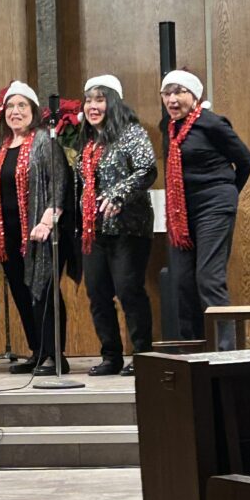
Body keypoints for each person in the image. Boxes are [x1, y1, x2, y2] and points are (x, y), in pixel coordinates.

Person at [0, 81, 71, 376]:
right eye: (11, 107)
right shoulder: (0, 148)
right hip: (7, 237)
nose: (15, 112)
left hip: (41, 234)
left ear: (34, 111)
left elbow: (60, 184)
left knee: (44, 293)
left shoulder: (45, 142)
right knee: (21, 293)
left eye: (22, 106)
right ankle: (38, 352)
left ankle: (56, 356)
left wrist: (46, 221)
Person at [160, 70, 250, 350]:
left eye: (180, 92)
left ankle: (226, 350)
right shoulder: (169, 127)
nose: (173, 99)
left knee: (208, 278)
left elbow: (245, 160)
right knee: (181, 282)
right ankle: (194, 349)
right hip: (182, 211)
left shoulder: (212, 124)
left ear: (195, 96)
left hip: (214, 205)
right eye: (167, 93)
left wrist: (227, 194)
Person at [78, 75, 156, 376]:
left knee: (128, 290)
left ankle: (142, 354)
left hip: (128, 227)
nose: (93, 106)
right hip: (93, 230)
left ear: (114, 102)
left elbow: (147, 169)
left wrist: (118, 194)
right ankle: (111, 356)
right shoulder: (87, 141)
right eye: (89, 100)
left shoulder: (132, 133)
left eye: (100, 99)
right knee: (97, 294)